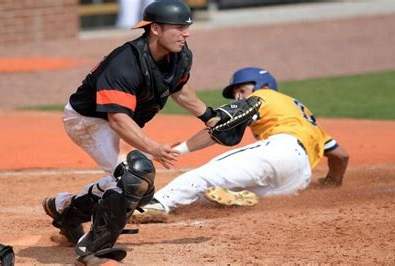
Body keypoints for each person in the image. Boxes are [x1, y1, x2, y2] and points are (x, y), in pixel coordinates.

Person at [41, 0, 220, 259]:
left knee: (139, 186)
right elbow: (117, 119)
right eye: (179, 27)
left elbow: (178, 89)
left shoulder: (179, 55)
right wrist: (153, 148)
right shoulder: (125, 62)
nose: (186, 33)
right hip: (88, 120)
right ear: (155, 29)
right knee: (133, 177)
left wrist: (209, 116)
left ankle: (65, 210)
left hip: (116, 120)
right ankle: (94, 249)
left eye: (187, 27)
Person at [133, 66, 350, 221]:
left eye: (242, 89)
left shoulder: (264, 95)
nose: (238, 96)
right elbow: (340, 156)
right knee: (205, 197)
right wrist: (332, 184)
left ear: (263, 85)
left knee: (206, 174)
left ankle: (157, 203)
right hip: (297, 180)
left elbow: (221, 128)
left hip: (281, 150)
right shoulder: (303, 117)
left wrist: (179, 149)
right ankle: (239, 197)